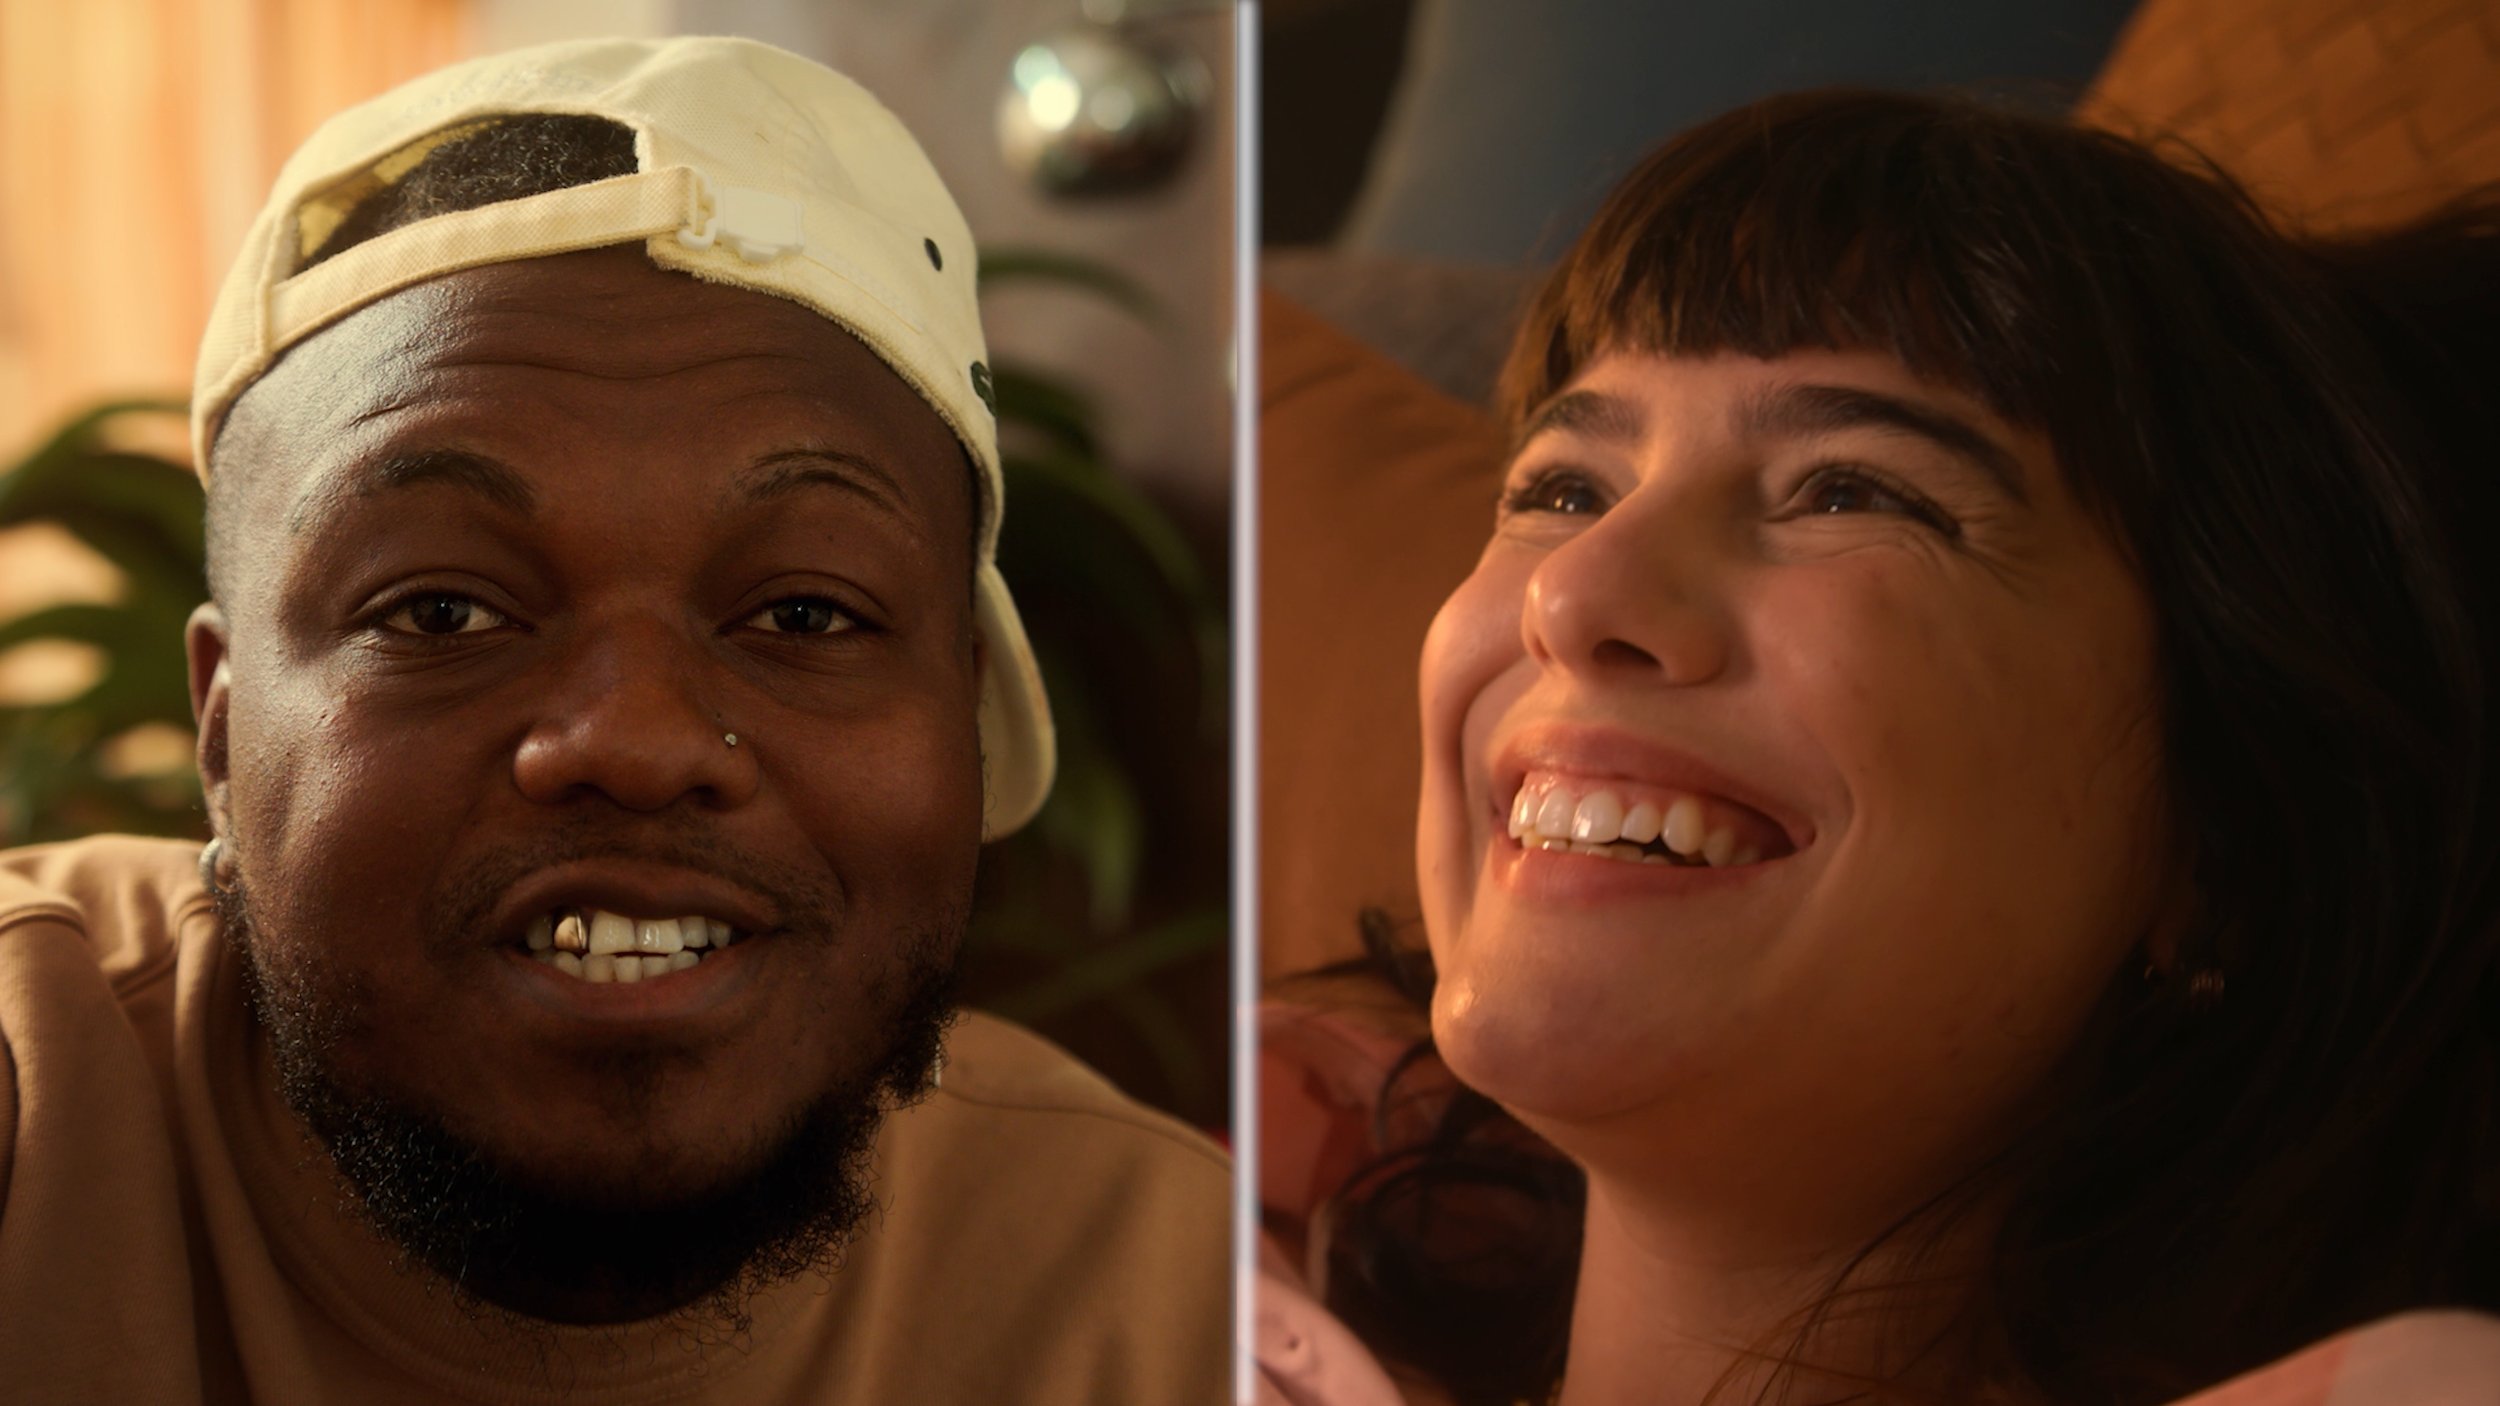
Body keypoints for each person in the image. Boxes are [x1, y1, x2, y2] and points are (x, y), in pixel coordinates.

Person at [0, 36, 1229, 1404]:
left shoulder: (1172, 1300)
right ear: (223, 741)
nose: (636, 742)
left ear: (967, 721)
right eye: (442, 612)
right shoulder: (33, 1100)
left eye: (807, 614)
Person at [1258, 90, 2500, 1406]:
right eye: (1563, 489)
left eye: (1853, 490)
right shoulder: (1142, 1245)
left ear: (2225, 832)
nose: (1571, 597)